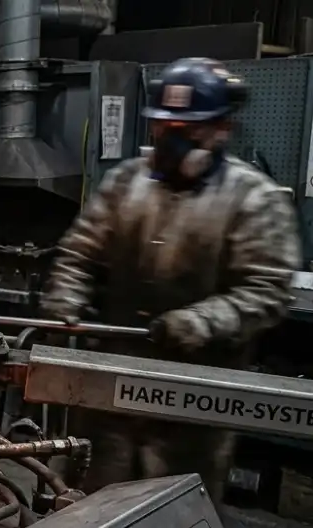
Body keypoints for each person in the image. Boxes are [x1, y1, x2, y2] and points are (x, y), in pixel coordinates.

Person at [40, 58, 301, 501]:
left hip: (192, 406)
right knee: (90, 518)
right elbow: (80, 253)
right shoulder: (127, 182)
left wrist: (203, 321)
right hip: (112, 398)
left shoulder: (252, 199)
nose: (173, 138)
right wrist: (67, 292)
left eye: (189, 128)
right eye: (166, 126)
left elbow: (267, 289)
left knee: (176, 520)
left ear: (222, 129)